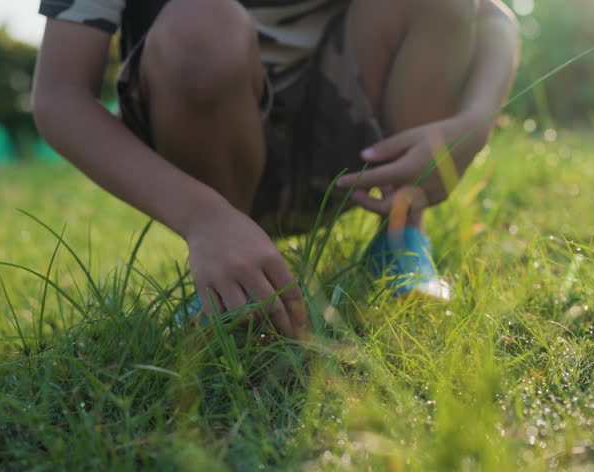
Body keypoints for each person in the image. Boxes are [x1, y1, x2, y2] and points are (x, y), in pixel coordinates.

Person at [32, 0, 520, 339]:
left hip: (356, 159)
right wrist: (204, 217)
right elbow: (59, 94)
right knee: (199, 21)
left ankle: (399, 239)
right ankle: (235, 276)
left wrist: (473, 123)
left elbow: (491, 15)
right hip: (218, 167)